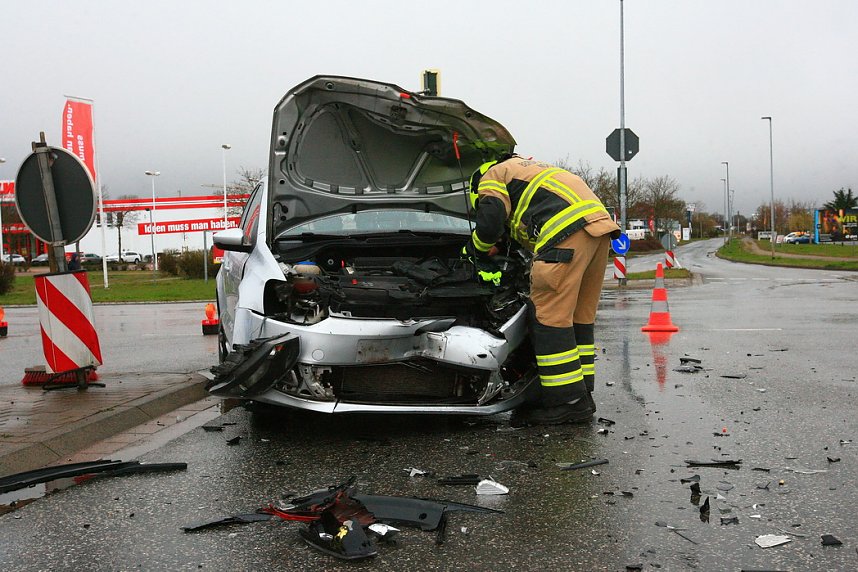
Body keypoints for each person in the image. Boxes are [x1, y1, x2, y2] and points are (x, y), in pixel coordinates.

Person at [463, 154, 619, 425]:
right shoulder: (526, 169)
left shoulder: (491, 176)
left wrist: (473, 249)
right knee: (578, 318)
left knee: (548, 318)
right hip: (598, 231)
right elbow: (523, 218)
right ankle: (581, 393)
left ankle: (566, 402)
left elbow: (490, 222)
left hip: (564, 234)